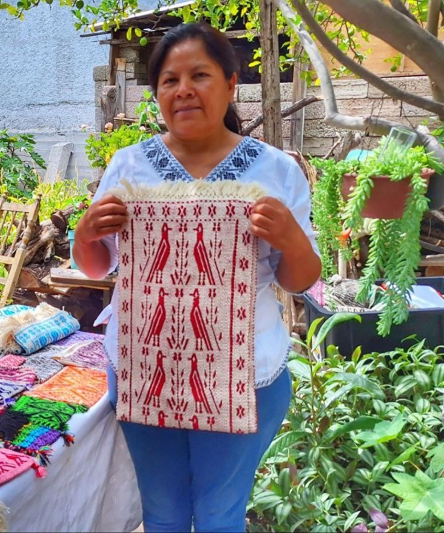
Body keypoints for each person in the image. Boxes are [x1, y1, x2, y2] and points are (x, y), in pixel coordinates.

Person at [72, 22, 321, 533]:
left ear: (232, 83)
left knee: (219, 514)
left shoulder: (275, 170)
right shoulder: (130, 166)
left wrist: (293, 240)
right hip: (145, 371)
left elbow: (299, 280)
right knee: (160, 511)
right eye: (168, 80)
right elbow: (99, 267)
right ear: (157, 94)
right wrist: (85, 234)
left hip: (245, 373)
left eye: (199, 75)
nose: (182, 89)